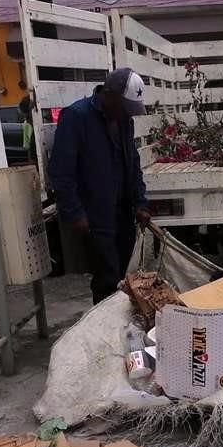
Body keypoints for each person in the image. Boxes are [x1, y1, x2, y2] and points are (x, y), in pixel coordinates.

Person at [49, 68, 151, 304]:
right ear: (110, 95)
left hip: (123, 214)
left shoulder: (123, 121)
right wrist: (75, 213)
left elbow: (132, 164)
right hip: (96, 218)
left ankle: (122, 329)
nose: (128, 115)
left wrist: (140, 202)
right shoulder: (76, 117)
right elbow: (61, 172)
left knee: (124, 278)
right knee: (107, 280)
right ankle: (106, 333)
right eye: (125, 108)